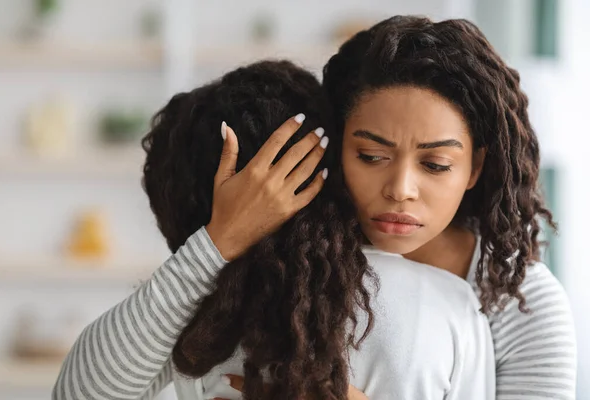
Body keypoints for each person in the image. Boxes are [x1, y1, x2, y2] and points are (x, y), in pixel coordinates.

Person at [52, 60, 494, 400]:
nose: (401, 190)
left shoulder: (204, 318)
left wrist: (216, 241)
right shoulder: (451, 306)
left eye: (435, 164)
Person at [318, 15, 576, 399]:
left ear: (474, 168)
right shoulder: (298, 257)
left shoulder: (522, 306)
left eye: (435, 165)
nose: (400, 190)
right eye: (371, 156)